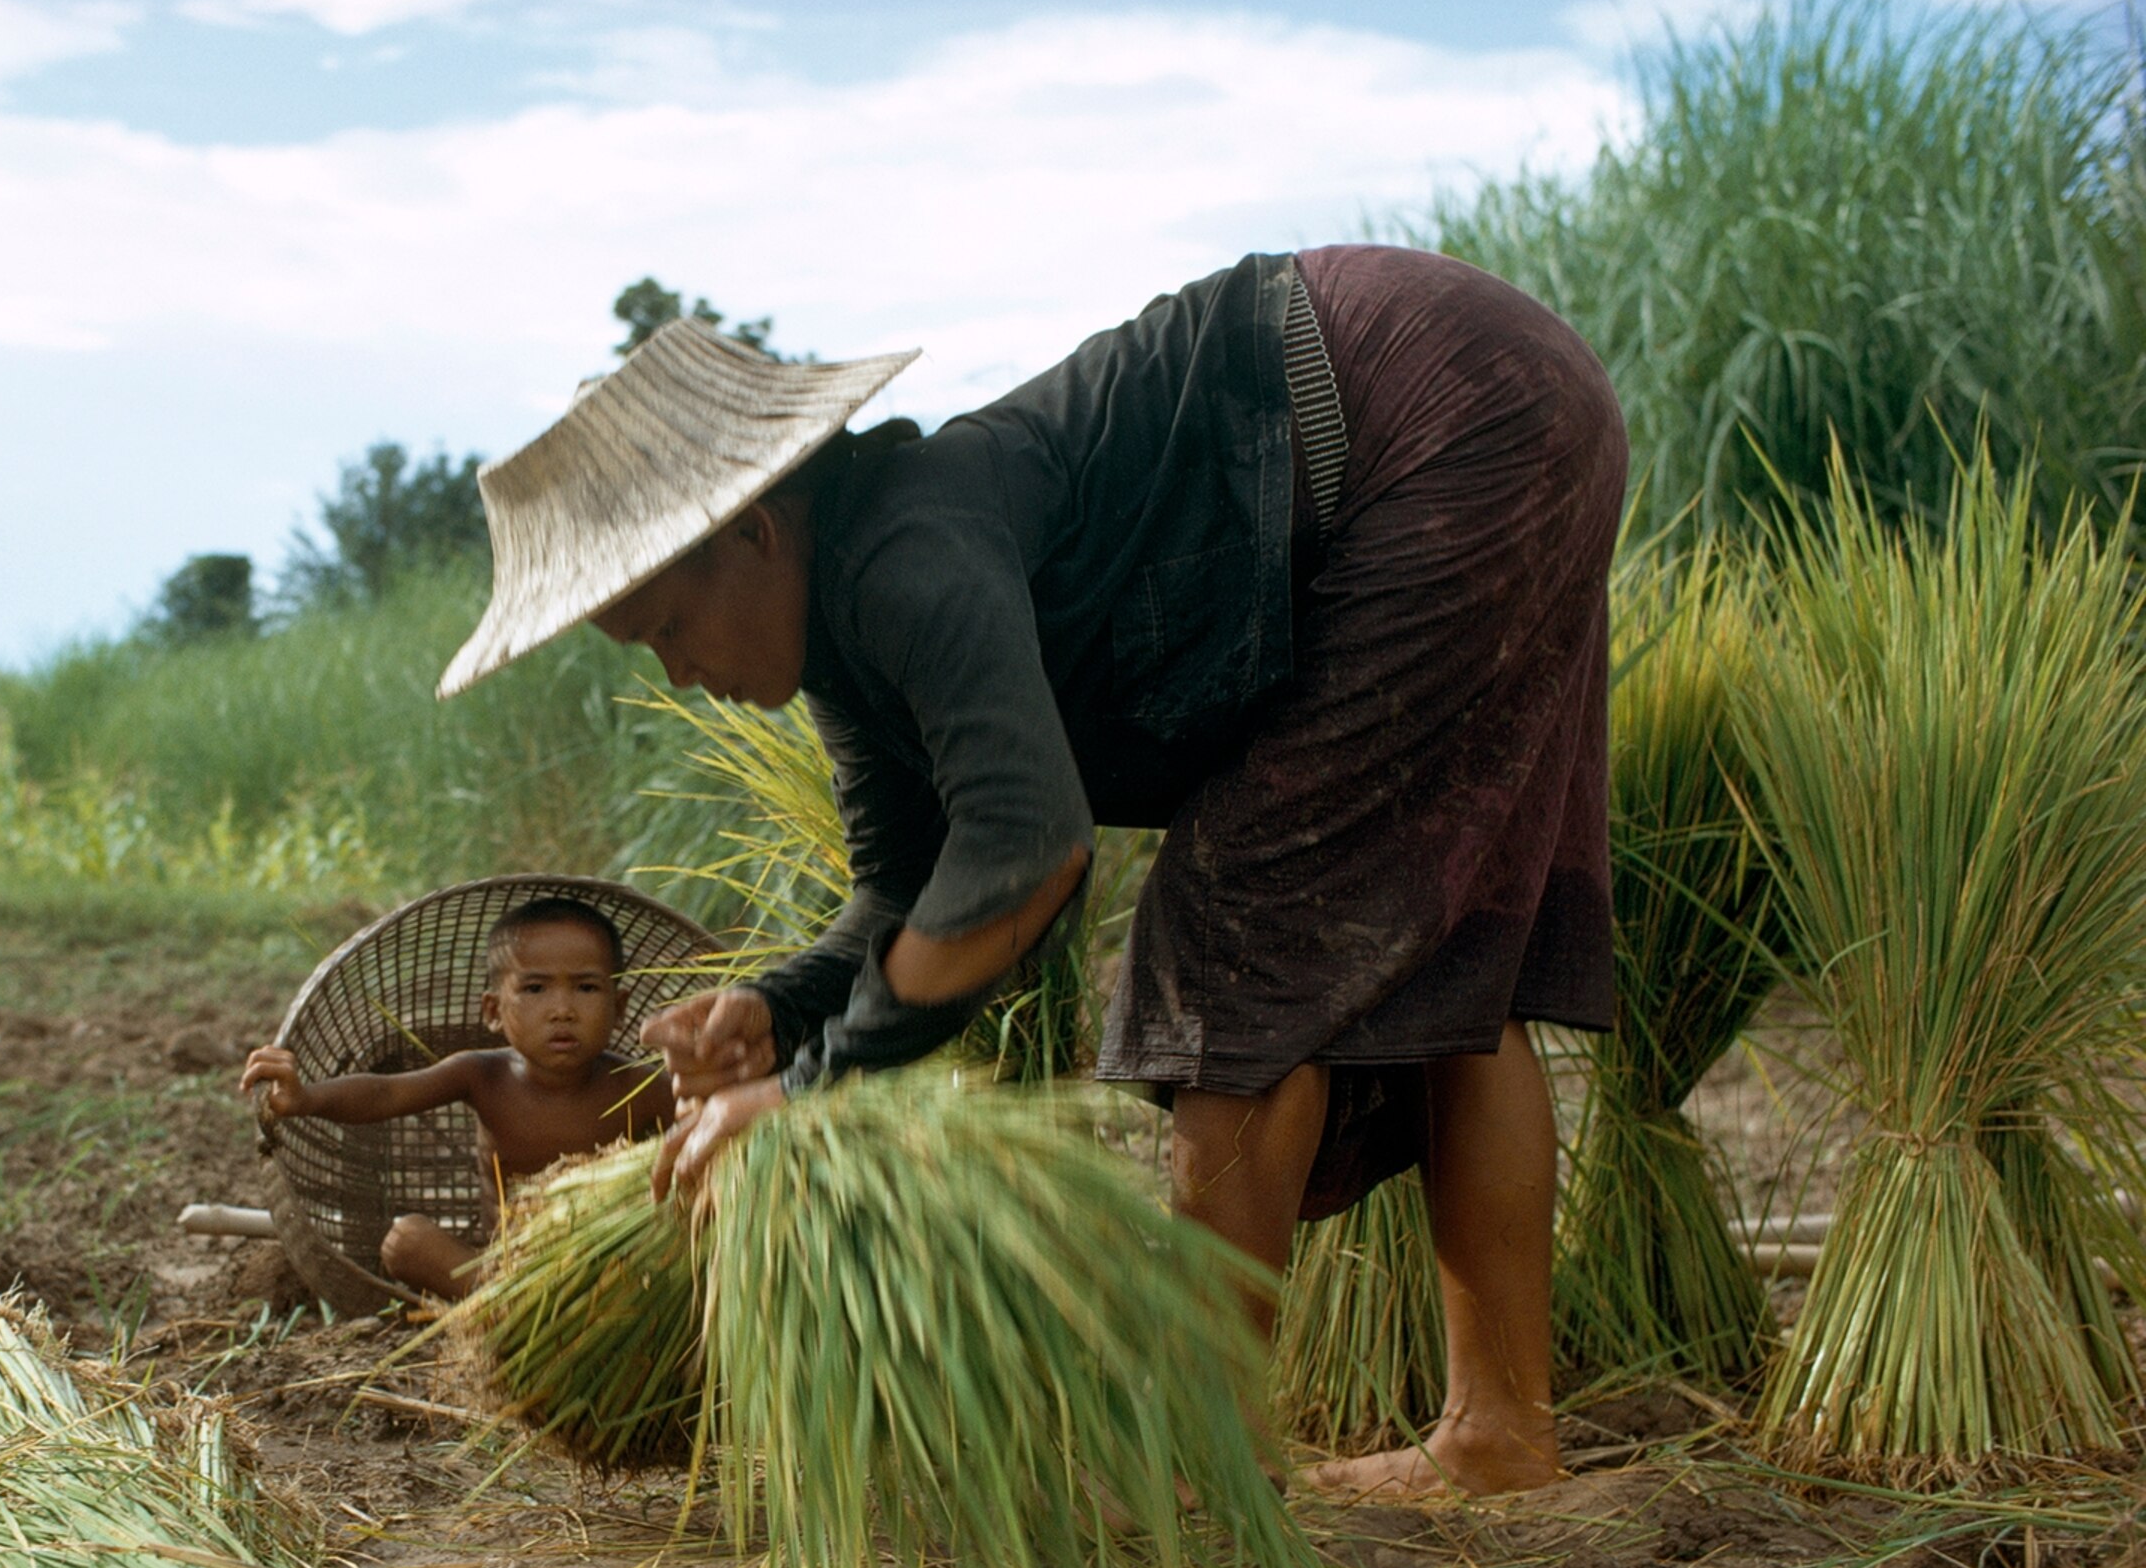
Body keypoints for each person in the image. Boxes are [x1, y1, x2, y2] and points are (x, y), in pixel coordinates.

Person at [437, 247, 1627, 1499]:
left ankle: (1202, 1466)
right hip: (1496, 405)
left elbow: (1027, 847)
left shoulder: (907, 549)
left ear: (754, 528)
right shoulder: (849, 633)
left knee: (1231, 938)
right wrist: (779, 1010)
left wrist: (817, 1087)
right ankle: (1498, 1434)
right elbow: (915, 888)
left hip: (1434, 414)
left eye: (667, 626)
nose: (677, 674)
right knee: (1446, 975)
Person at [241, 896, 674, 1299]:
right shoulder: (482, 1075)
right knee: (406, 1241)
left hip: (610, 1271)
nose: (562, 1009)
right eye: (535, 989)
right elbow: (386, 1092)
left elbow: (712, 1132)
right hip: (503, 1270)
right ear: (493, 1012)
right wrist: (306, 1098)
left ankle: (529, 1312)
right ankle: (513, 1307)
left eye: (586, 988)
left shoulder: (642, 1088)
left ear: (619, 1009)